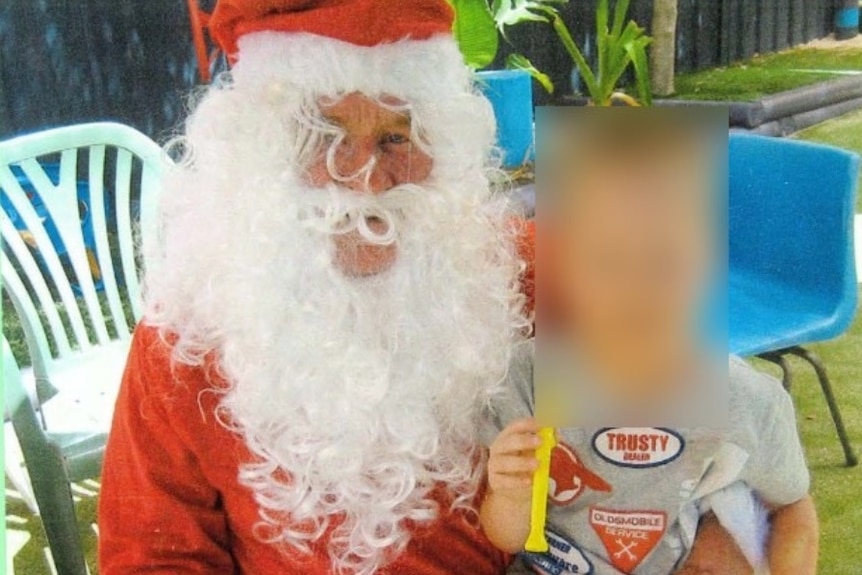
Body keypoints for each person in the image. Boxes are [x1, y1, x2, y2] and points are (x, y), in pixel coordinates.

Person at [98, 1, 763, 573]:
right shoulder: (187, 333)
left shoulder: (533, 274)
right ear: (257, 156)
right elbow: (151, 555)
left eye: (395, 137)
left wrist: (715, 524)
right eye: (325, 135)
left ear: (444, 146)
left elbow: (700, 417)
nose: (367, 182)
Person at [480, 111, 819, 575]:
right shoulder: (523, 380)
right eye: (608, 259)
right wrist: (510, 492)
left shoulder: (748, 403)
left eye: (665, 260)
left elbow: (793, 507)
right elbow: (507, 537)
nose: (635, 289)